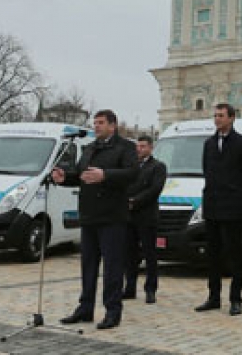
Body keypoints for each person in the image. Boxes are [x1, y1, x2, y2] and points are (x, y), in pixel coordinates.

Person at [52, 109, 138, 330]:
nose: (96, 126)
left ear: (112, 125)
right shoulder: (90, 148)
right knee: (88, 265)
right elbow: (82, 176)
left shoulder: (125, 147)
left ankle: (112, 311)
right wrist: (65, 177)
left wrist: (105, 175)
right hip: (89, 216)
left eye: (101, 122)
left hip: (112, 217)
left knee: (112, 268)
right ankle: (85, 308)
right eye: (95, 122)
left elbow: (132, 174)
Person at [194, 103, 242, 316]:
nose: (217, 119)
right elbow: (207, 171)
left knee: (235, 254)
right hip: (212, 207)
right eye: (215, 115)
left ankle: (235, 299)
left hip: (233, 208)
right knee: (213, 254)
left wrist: (237, 194)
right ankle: (213, 297)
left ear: (231, 118)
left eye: (221, 115)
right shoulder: (209, 143)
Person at [122, 135, 167, 304]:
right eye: (138, 146)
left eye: (143, 146)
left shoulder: (158, 166)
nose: (139, 149)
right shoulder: (131, 166)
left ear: (150, 148)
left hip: (147, 217)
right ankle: (130, 288)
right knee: (129, 254)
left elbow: (155, 189)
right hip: (129, 217)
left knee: (149, 254)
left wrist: (135, 201)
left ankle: (150, 289)